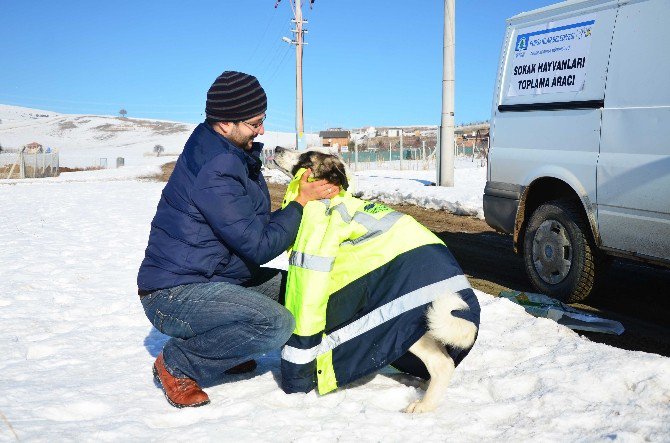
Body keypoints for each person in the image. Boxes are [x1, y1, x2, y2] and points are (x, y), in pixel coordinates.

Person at [137, 70, 339, 408]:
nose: (261, 130)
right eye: (254, 123)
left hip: (213, 277)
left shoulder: (230, 153)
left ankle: (226, 351)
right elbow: (259, 246)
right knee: (275, 323)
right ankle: (177, 363)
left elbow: (250, 229)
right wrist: (301, 202)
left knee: (301, 287)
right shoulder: (217, 167)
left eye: (262, 119)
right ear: (225, 124)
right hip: (173, 294)